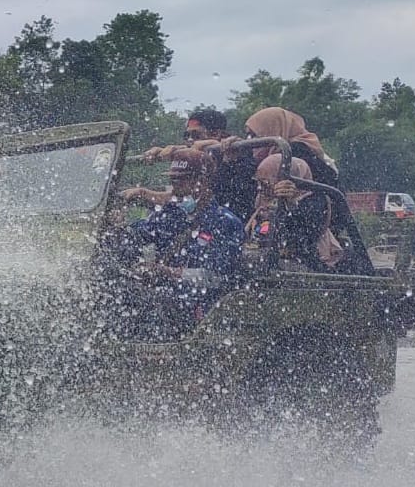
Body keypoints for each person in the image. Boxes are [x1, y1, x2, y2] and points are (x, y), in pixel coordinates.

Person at [99, 152, 245, 338]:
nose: (174, 189)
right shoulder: (170, 214)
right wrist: (116, 227)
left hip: (198, 307)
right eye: (173, 181)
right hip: (161, 298)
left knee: (139, 304)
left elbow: (218, 277)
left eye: (180, 181)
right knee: (109, 289)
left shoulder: (225, 222)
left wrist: (168, 272)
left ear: (202, 181)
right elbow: (137, 236)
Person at [140, 108, 257, 217]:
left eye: (196, 135)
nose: (190, 140)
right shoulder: (200, 157)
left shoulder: (237, 153)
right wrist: (167, 151)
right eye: (187, 136)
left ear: (216, 134)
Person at [247, 155, 344, 272]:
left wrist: (289, 203)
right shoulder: (263, 198)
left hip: (307, 262)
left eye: (265, 182)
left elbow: (300, 236)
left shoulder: (316, 200)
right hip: (268, 257)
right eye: (259, 182)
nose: (260, 188)